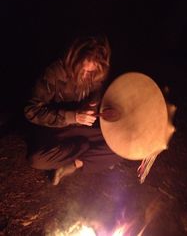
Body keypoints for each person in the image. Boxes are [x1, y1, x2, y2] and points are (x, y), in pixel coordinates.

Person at [24, 35, 122, 185]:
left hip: (79, 128)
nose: (86, 74)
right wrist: (73, 117)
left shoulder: (96, 76)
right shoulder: (55, 72)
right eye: (83, 68)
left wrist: (94, 110)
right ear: (75, 57)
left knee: (120, 145)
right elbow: (31, 111)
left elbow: (94, 102)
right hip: (55, 129)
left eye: (91, 71)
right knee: (36, 159)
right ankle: (83, 149)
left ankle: (74, 164)